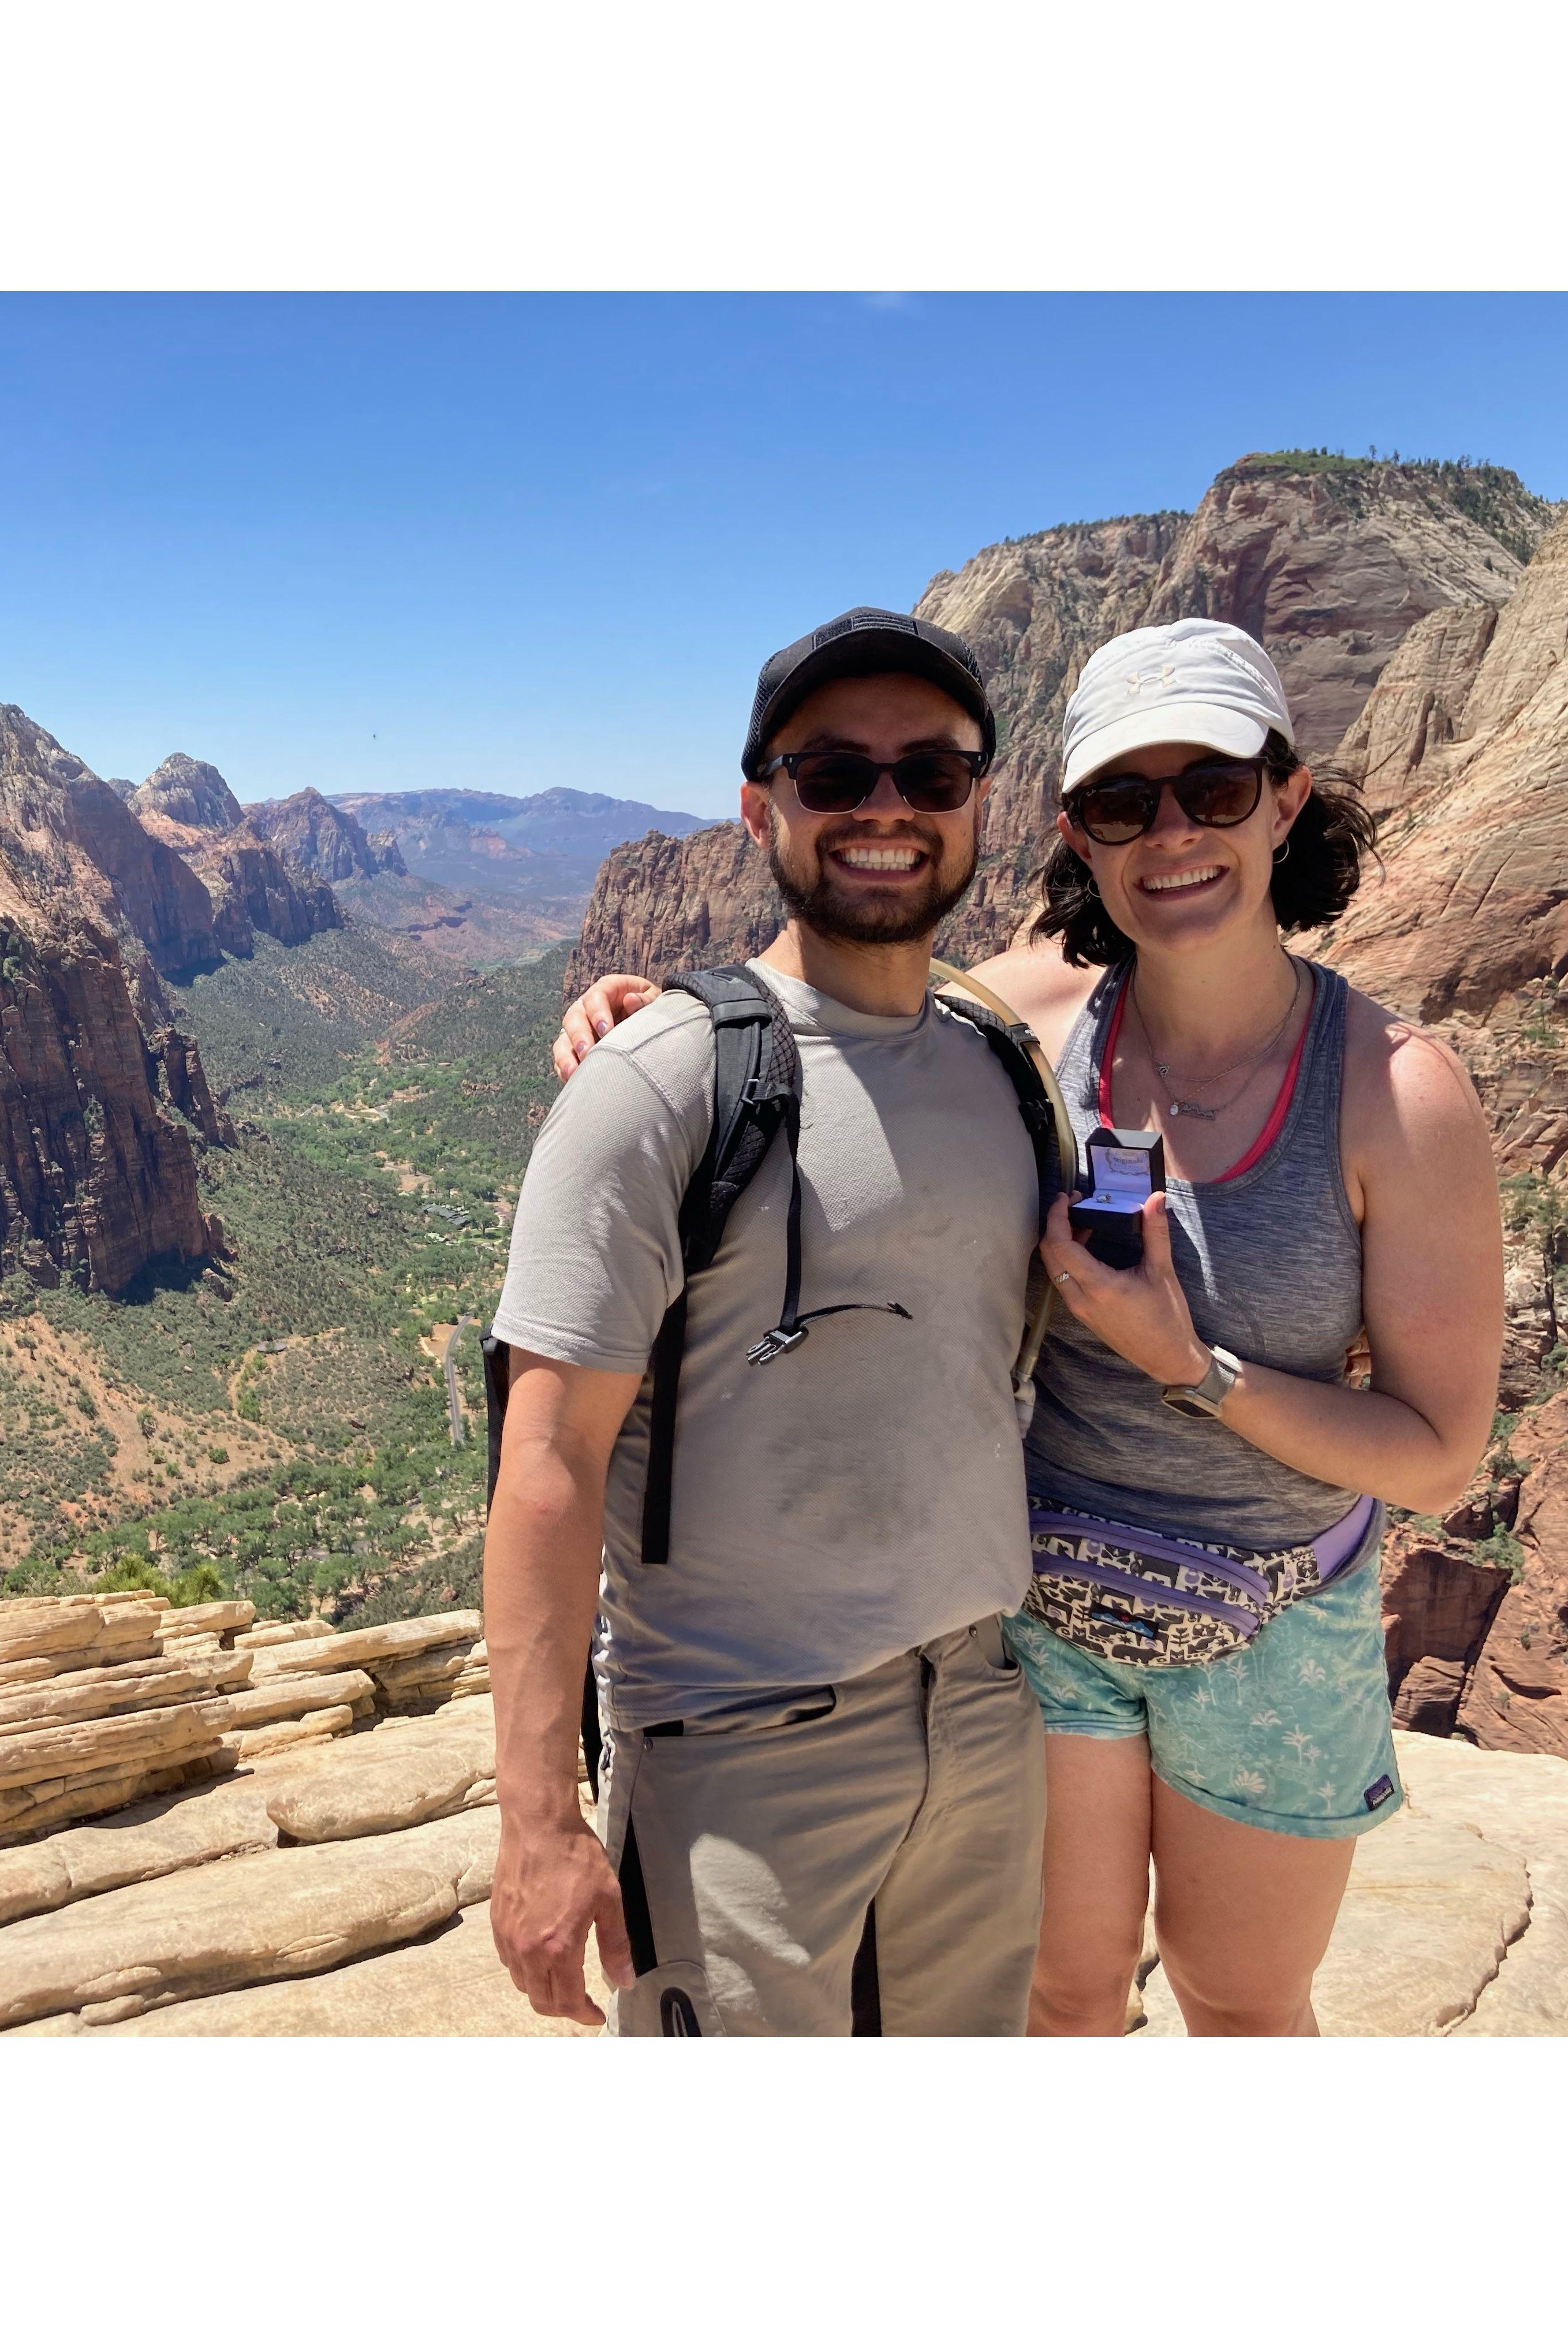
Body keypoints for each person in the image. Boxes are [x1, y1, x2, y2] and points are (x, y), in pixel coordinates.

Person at [555, 617, 1503, 2037]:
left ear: (1288, 796)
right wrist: (647, 1013)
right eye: (1127, 802)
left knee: (1244, 2006)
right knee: (1056, 2002)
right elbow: (831, 1002)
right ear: (1077, 831)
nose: (1172, 834)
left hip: (1275, 1617)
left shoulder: (1395, 1092)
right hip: (1042, 1615)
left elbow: (1437, 1461)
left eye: (1216, 790)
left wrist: (1196, 1366)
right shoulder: (1030, 1013)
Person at [486, 608, 1048, 2036]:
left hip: (984, 1716)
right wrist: (537, 1824)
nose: (886, 809)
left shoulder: (1003, 1064)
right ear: (759, 808)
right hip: (737, 1759)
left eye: (933, 773)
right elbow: (544, 1464)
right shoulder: (663, 1084)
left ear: (985, 797)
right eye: (832, 773)